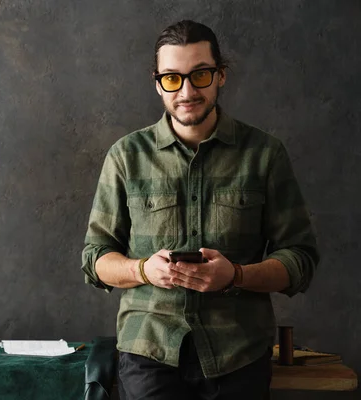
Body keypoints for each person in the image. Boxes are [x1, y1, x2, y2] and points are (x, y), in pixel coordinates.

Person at [81, 20, 319, 400]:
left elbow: (301, 259)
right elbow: (95, 259)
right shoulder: (126, 156)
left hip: (238, 353)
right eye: (173, 79)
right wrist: (143, 269)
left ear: (221, 75)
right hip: (149, 351)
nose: (187, 91)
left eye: (201, 75)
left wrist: (235, 275)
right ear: (158, 82)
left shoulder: (264, 155)